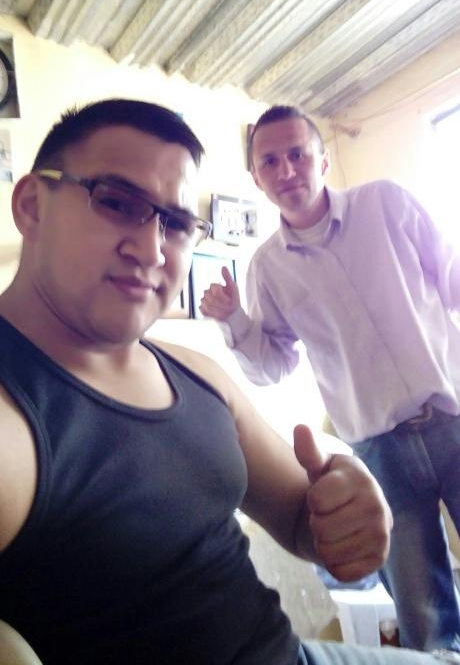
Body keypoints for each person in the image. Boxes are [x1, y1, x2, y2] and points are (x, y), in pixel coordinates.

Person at [0, 97, 446, 665]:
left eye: (176, 224)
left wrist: (347, 507)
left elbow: (302, 516)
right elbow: (274, 360)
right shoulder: (14, 412)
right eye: (115, 202)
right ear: (32, 205)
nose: (151, 250)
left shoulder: (193, 371)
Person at [200, 104, 460, 656]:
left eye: (297, 154)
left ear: (321, 158)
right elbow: (273, 367)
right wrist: (233, 320)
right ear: (257, 178)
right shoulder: (267, 268)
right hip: (380, 452)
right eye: (270, 161)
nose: (286, 169)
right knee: (424, 618)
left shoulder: (386, 203)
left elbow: (453, 276)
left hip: (454, 418)